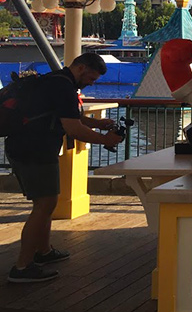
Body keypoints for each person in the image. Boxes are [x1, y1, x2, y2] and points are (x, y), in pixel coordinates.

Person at [6, 53, 123, 283]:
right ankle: (22, 266)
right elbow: (73, 128)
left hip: (25, 147)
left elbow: (71, 116)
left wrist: (97, 124)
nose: (92, 83)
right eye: (91, 78)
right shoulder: (63, 87)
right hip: (34, 150)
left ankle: (44, 252)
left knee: (45, 203)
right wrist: (106, 140)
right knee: (44, 204)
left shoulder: (57, 80)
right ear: (81, 68)